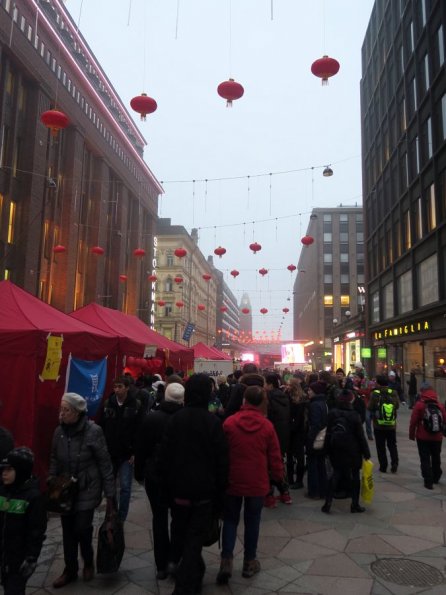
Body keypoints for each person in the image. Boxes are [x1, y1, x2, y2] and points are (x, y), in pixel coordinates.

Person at [158, 374, 229, 595]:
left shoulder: (175, 420)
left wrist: (165, 488)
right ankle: (185, 587)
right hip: (204, 493)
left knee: (183, 533)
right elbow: (222, 463)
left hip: (178, 491)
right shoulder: (213, 423)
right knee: (194, 540)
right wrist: (221, 495)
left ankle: (191, 573)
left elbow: (164, 457)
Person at [216, 385, 284, 585]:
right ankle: (249, 562)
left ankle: (226, 561)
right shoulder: (266, 426)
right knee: (253, 521)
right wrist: (278, 477)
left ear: (244, 400)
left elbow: (221, 452)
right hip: (257, 481)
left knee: (230, 520)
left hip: (233, 480)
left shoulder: (229, 423)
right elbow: (274, 455)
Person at [49, 393, 115, 588]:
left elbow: (105, 463)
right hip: (65, 489)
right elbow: (53, 457)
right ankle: (70, 569)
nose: (62, 413)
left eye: (66, 410)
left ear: (77, 413)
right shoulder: (58, 432)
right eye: (61, 409)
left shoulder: (94, 431)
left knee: (82, 527)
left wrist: (110, 494)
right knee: (67, 531)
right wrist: (51, 479)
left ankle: (88, 560)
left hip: (88, 487)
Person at [134, 382, 185, 580]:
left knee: (159, 519)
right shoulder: (184, 419)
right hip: (180, 478)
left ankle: (161, 565)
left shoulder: (152, 418)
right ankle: (174, 559)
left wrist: (139, 473)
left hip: (155, 476)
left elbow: (141, 449)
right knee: (179, 520)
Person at [0, 447, 47, 595]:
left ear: (21, 471)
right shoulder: (2, 491)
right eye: (3, 470)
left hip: (19, 559)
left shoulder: (33, 498)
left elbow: (36, 531)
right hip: (3, 554)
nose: (4, 473)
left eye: (9, 470)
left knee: (14, 590)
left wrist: (31, 557)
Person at [97, 376, 143, 522]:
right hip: (110, 452)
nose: (117, 390)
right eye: (115, 386)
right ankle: (112, 513)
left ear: (127, 387)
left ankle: (121, 518)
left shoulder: (135, 405)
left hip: (127, 453)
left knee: (125, 487)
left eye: (120, 386)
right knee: (110, 487)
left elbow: (139, 429)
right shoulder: (108, 404)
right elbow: (102, 426)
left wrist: (135, 451)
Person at [321, 389, 371, 514]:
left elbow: (327, 433)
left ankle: (328, 502)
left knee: (335, 474)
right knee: (355, 476)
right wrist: (366, 452)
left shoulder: (332, 413)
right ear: (350, 400)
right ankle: (355, 504)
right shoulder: (354, 415)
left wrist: (326, 449)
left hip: (336, 449)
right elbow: (360, 436)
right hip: (352, 450)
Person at [409, 381, 446, 489]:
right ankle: (436, 476)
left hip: (423, 436)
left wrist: (412, 434)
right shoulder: (439, 405)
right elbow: (444, 419)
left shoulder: (420, 404)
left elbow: (413, 421)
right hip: (437, 437)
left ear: (422, 391)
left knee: (425, 458)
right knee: (436, 456)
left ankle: (428, 481)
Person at [264, 373, 292, 506]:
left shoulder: (268, 397)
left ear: (270, 384)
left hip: (271, 435)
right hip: (283, 435)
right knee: (280, 464)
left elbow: (268, 417)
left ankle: (269, 496)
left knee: (268, 466)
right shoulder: (285, 396)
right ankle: (285, 493)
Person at [368, 375, 400, 473]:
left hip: (379, 425)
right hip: (391, 425)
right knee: (392, 445)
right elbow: (397, 406)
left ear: (378, 383)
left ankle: (383, 466)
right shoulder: (393, 392)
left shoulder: (375, 393)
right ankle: (394, 462)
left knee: (380, 446)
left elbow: (370, 407)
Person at [305, 381, 329, 499]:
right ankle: (323, 490)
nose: (308, 392)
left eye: (310, 390)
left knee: (313, 465)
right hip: (323, 438)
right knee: (321, 465)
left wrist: (310, 439)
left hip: (316, 439)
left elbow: (315, 424)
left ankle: (314, 491)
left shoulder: (314, 405)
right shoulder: (323, 402)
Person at [286, 376, 308, 489]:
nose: (287, 386)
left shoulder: (300, 399)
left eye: (289, 385)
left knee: (298, 456)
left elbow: (299, 417)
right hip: (294, 430)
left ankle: (298, 480)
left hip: (297, 431)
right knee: (290, 456)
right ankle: (290, 479)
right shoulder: (288, 396)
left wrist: (292, 427)